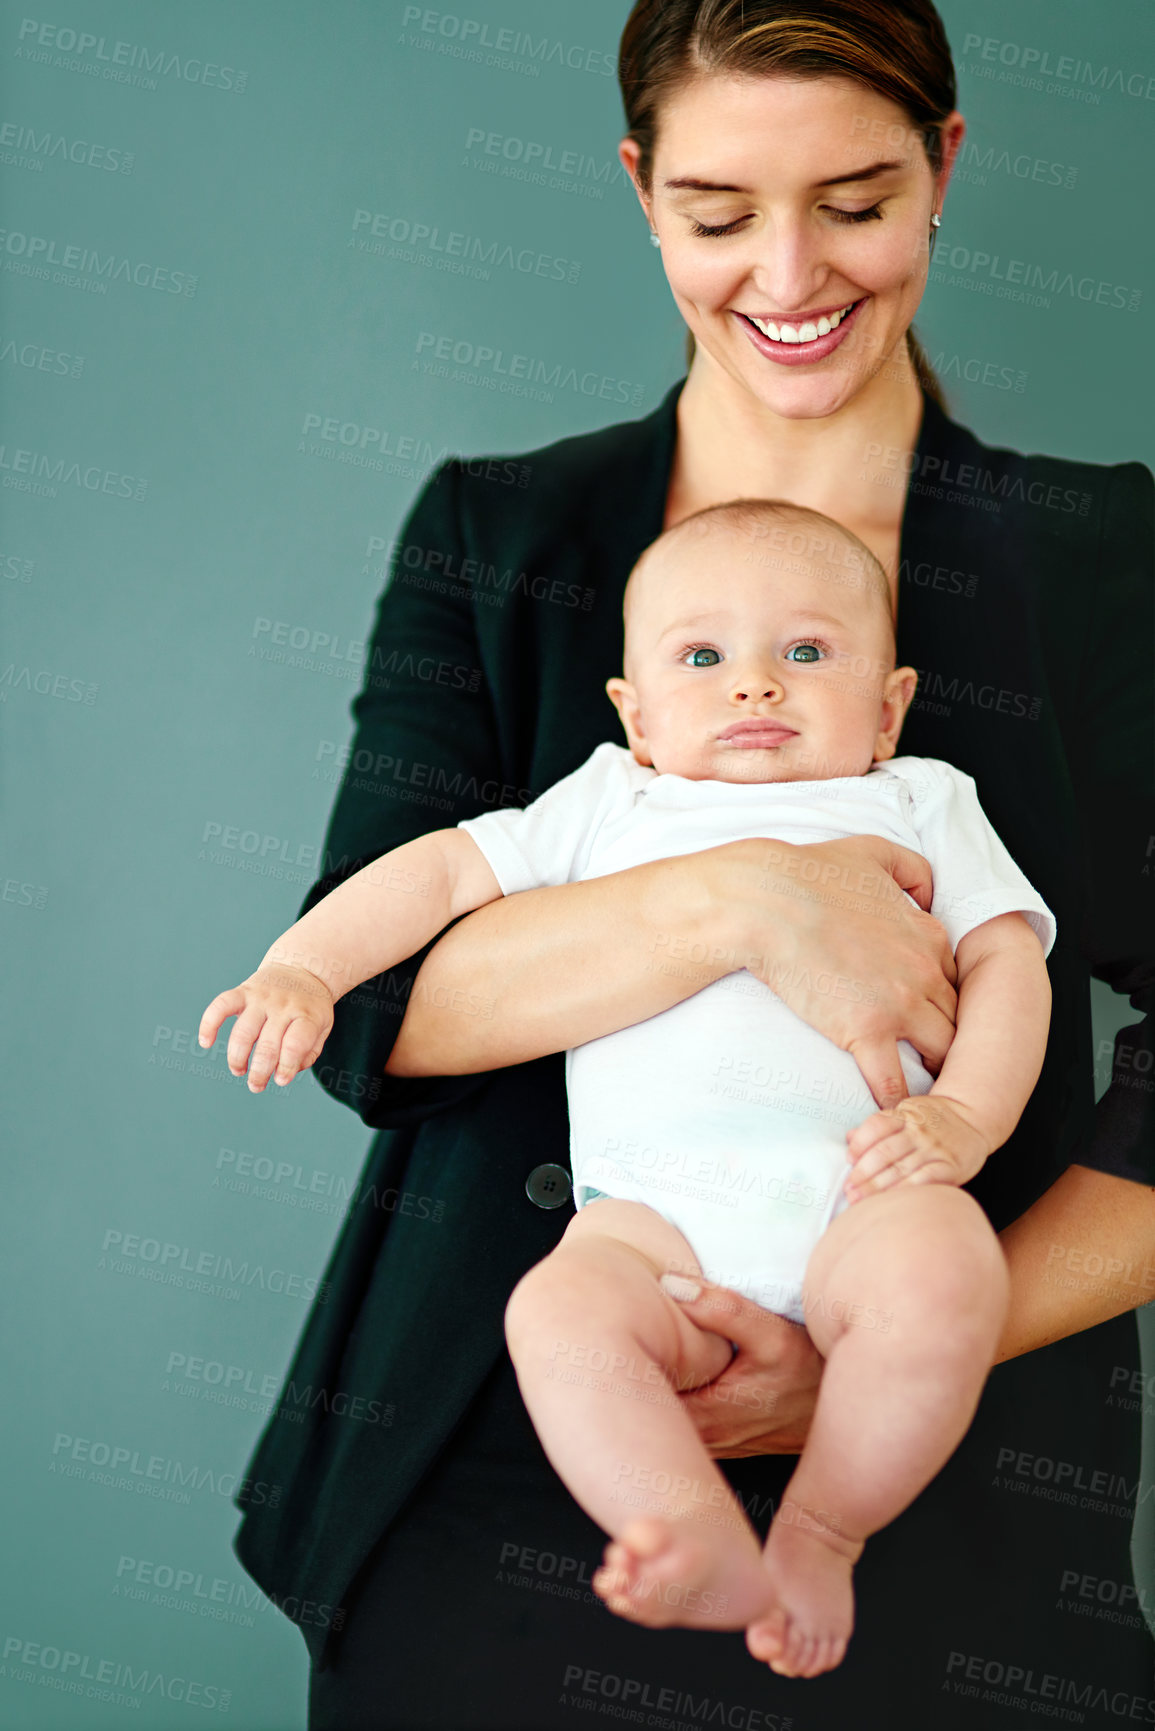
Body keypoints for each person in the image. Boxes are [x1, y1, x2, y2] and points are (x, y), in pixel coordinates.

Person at [226, 3, 1155, 1726]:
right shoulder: (499, 534)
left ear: (947, 169)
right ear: (643, 193)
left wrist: (880, 1358)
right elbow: (377, 1009)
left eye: (857, 201)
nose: (789, 273)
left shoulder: (1097, 560)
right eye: (720, 214)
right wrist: (736, 900)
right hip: (503, 1477)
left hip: (952, 1477)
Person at [202, 497, 1056, 1681]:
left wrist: (967, 1116)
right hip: (647, 1215)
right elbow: (442, 869)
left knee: (945, 1273)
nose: (755, 687)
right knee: (557, 1317)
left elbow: (1008, 960)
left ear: (890, 704)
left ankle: (820, 1532)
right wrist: (305, 966)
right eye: (704, 658)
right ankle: (692, 1533)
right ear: (636, 715)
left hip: (865, 1186)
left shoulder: (921, 798)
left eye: (807, 653)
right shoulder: (612, 802)